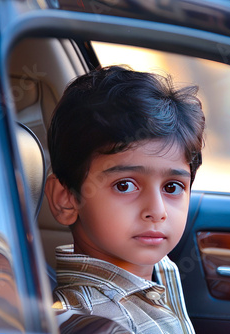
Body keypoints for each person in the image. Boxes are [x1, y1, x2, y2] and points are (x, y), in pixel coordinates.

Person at [44, 65, 205, 333]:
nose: (157, 210)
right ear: (67, 199)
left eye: (173, 187)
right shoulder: (95, 322)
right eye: (125, 185)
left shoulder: (157, 271)